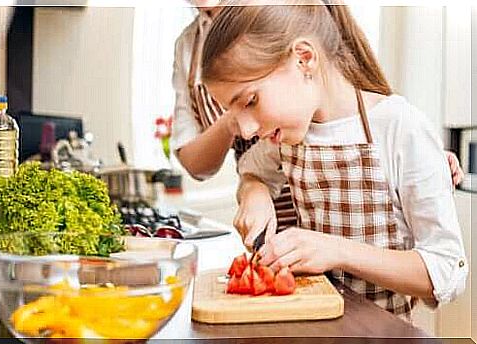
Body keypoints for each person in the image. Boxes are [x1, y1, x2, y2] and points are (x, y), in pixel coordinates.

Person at [200, 1, 468, 320]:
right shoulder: (287, 133)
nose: (245, 129)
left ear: (304, 59)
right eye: (234, 114)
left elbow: (447, 270)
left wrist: (334, 250)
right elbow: (253, 171)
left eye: (251, 101)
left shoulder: (400, 127)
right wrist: (254, 195)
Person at [171, 0, 298, 231]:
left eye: (251, 100)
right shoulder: (188, 44)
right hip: (261, 218)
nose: (249, 129)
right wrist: (232, 120)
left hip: (313, 218)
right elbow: (195, 164)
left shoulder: (275, 13)